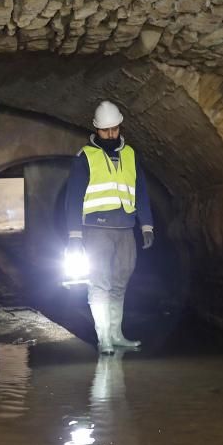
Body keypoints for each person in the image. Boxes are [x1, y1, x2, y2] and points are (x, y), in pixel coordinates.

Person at [65, 101, 154, 354]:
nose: (111, 134)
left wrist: (146, 225)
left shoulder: (130, 155)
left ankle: (116, 334)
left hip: (125, 228)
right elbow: (73, 198)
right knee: (99, 283)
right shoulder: (85, 157)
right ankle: (103, 337)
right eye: (106, 131)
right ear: (96, 130)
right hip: (96, 229)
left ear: (120, 126)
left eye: (115, 129)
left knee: (120, 281)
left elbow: (141, 192)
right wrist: (74, 235)